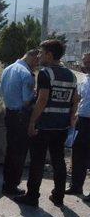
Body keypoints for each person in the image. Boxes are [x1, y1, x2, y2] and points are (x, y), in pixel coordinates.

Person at [14, 40, 79, 207]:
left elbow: (42, 100)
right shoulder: (71, 75)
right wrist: (71, 117)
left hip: (44, 125)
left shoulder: (45, 73)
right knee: (58, 160)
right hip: (62, 126)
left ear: (49, 55)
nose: (39, 56)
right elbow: (75, 99)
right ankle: (58, 196)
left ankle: (32, 196)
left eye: (41, 53)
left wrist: (32, 122)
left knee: (37, 161)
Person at [0, 48, 39, 196]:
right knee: (19, 153)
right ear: (33, 58)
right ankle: (12, 185)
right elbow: (26, 100)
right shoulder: (26, 74)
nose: (37, 65)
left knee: (10, 150)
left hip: (9, 113)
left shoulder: (8, 69)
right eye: (37, 61)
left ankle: (6, 183)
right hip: (21, 116)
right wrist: (36, 96)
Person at [67, 53, 90, 199]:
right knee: (78, 152)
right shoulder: (85, 79)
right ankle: (76, 186)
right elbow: (79, 98)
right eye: (85, 62)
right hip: (83, 120)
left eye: (88, 62)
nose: (86, 65)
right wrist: (74, 115)